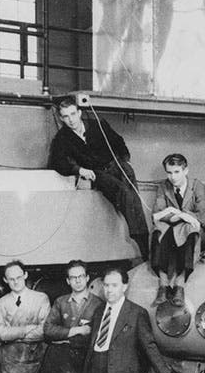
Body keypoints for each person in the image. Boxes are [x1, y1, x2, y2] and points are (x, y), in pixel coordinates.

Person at [49, 95, 150, 260]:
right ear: (61, 118)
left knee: (134, 200)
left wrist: (125, 160)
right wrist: (79, 169)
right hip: (98, 173)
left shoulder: (98, 125)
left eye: (73, 114)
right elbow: (57, 162)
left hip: (116, 165)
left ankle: (144, 242)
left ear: (79, 112)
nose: (71, 120)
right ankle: (143, 245)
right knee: (124, 193)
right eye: (66, 116)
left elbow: (118, 141)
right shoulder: (62, 139)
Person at [151, 153, 205, 307]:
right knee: (157, 232)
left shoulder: (197, 186)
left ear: (185, 171)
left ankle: (180, 285)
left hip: (195, 231)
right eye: (169, 172)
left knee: (190, 230)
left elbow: (203, 217)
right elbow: (157, 214)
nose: (173, 177)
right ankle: (163, 285)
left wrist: (181, 214)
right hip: (172, 227)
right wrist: (175, 215)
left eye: (177, 172)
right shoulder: (163, 187)